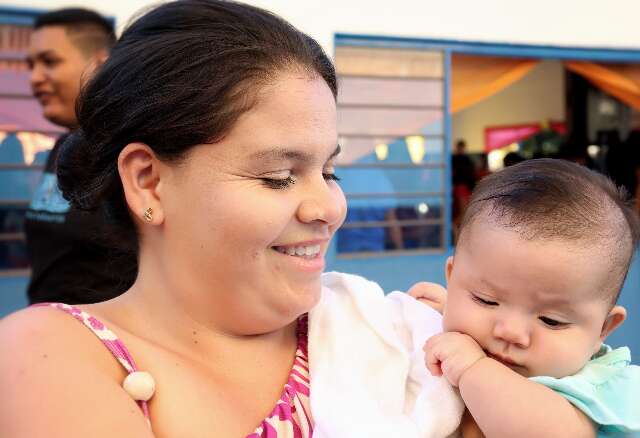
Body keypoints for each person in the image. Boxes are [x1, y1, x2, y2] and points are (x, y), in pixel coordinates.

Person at [0, 1, 464, 437]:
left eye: (329, 171)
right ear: (148, 182)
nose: (329, 208)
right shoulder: (50, 354)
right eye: (280, 176)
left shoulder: (384, 336)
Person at [412, 159, 640, 437]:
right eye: (485, 300)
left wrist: (474, 368)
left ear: (603, 330)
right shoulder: (459, 331)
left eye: (550, 320)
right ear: (452, 277)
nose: (511, 332)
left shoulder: (595, 388)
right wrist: (445, 310)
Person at [24, 8, 132, 304]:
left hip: (100, 343)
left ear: (100, 64)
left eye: (49, 62)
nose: (34, 78)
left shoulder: (127, 153)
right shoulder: (63, 148)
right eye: (30, 65)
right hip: (45, 337)